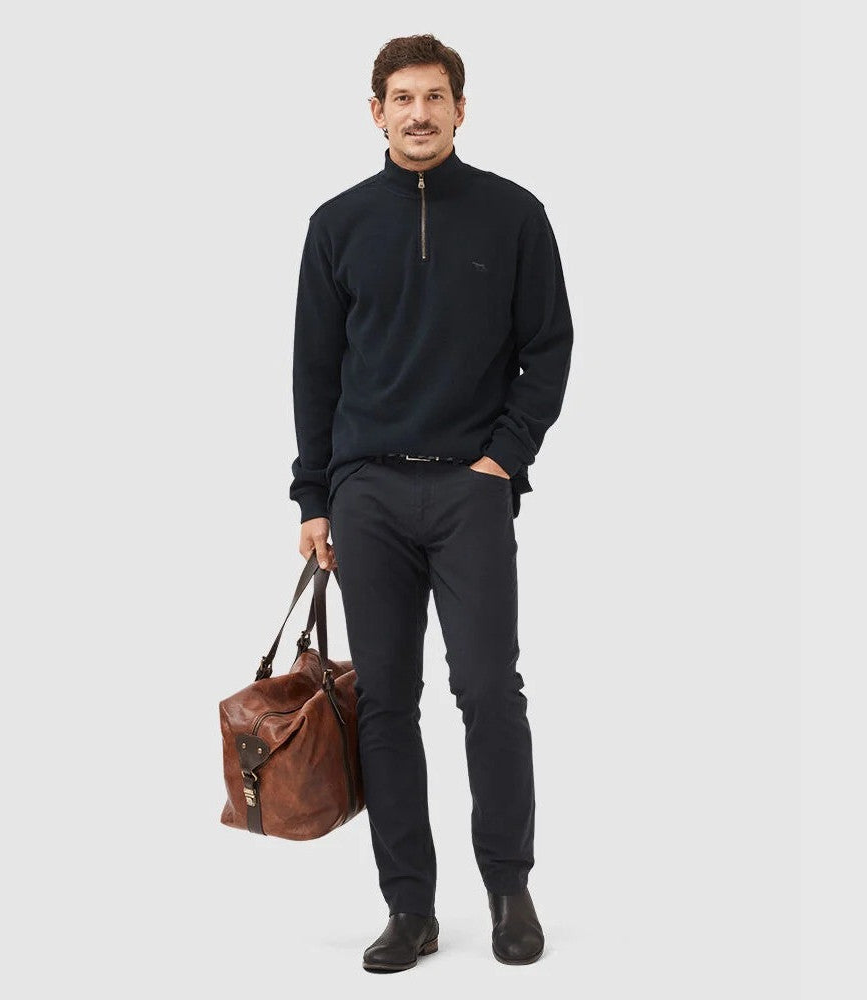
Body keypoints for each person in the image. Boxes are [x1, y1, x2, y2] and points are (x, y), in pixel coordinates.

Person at [288, 33, 574, 973]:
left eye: (435, 96)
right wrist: (315, 496)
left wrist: (503, 461)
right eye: (402, 98)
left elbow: (549, 347)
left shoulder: (513, 215)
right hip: (366, 493)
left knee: (490, 690)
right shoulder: (337, 224)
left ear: (460, 108)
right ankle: (409, 907)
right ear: (376, 112)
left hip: (469, 491)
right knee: (385, 703)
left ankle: (509, 891)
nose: (419, 113)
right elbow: (315, 372)